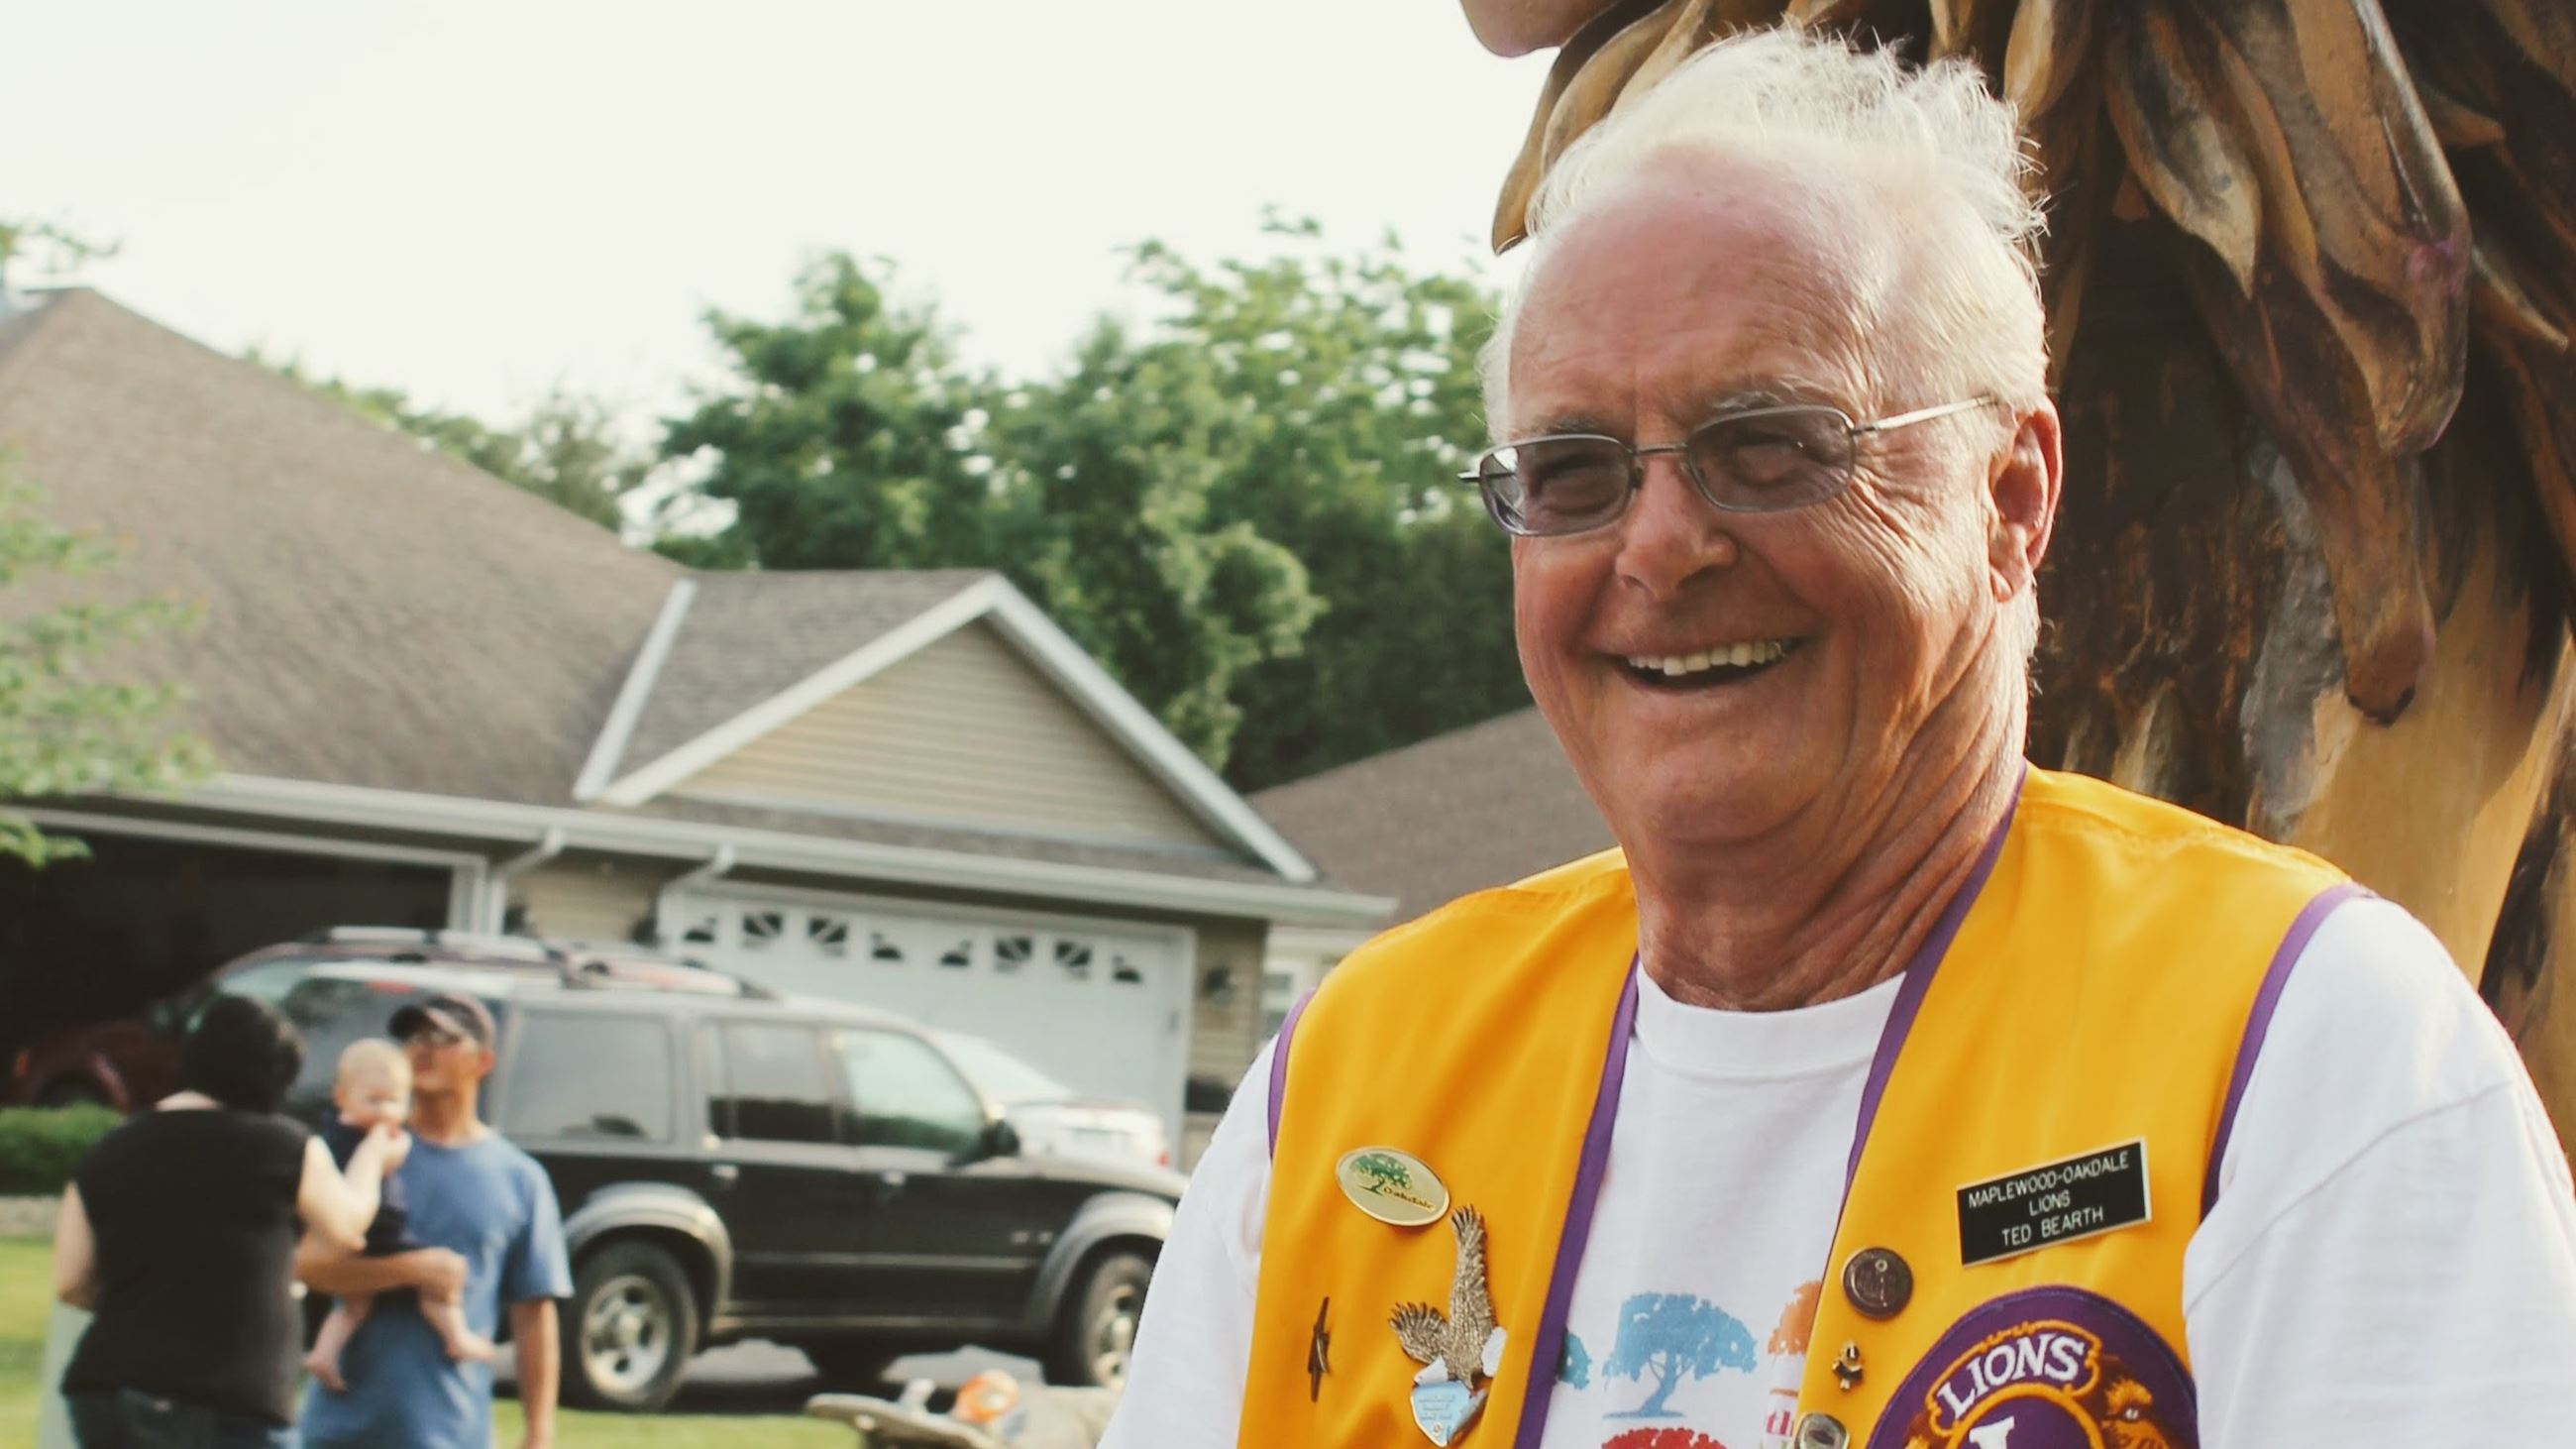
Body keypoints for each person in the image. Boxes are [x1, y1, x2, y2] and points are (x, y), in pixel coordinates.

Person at [1108, 27, 2576, 1449]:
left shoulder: (2310, 1050)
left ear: (2012, 497)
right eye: (1574, 472)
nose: (1663, 542)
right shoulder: (1350, 1084)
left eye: (1773, 445)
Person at [51, 994, 405, 1449]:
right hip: (233, 1398)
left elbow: (70, 1280)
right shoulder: (283, 1147)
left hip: (111, 1391)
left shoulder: (109, 1150)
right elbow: (347, 1225)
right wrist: (374, 1155)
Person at [296, 992, 571, 1449]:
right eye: (413, 1037)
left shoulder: (520, 1179)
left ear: (483, 1061)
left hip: (449, 1431)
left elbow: (534, 1317)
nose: (422, 1049)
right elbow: (308, 1266)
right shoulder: (365, 1151)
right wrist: (413, 1270)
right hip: (339, 1428)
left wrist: (538, 1433)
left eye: (443, 1038)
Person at [302, 1039, 496, 1392]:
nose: (384, 1111)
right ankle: (457, 1335)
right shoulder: (357, 1138)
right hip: (377, 1230)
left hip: (372, 1233)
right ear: (342, 1097)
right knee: (444, 1275)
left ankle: (324, 1354)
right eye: (373, 1100)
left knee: (353, 1306)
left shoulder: (344, 1134)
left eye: (393, 1101)